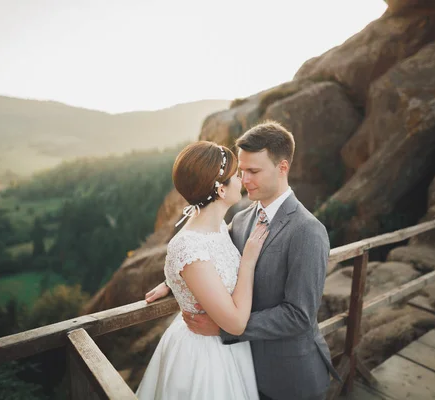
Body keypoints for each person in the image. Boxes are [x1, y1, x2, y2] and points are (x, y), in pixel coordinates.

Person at [146, 121, 339, 400]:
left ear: (282, 168)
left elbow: (300, 315)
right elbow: (207, 257)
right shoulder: (241, 219)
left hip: (290, 378)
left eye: (254, 171)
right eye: (241, 171)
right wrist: (174, 279)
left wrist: (223, 329)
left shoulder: (307, 231)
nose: (245, 180)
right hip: (242, 371)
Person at [136, 141, 269, 400]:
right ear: (220, 189)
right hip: (204, 356)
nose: (241, 178)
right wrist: (248, 261)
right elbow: (237, 323)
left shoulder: (217, 226)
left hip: (228, 349)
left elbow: (206, 268)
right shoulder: (189, 247)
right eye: (234, 175)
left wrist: (173, 282)